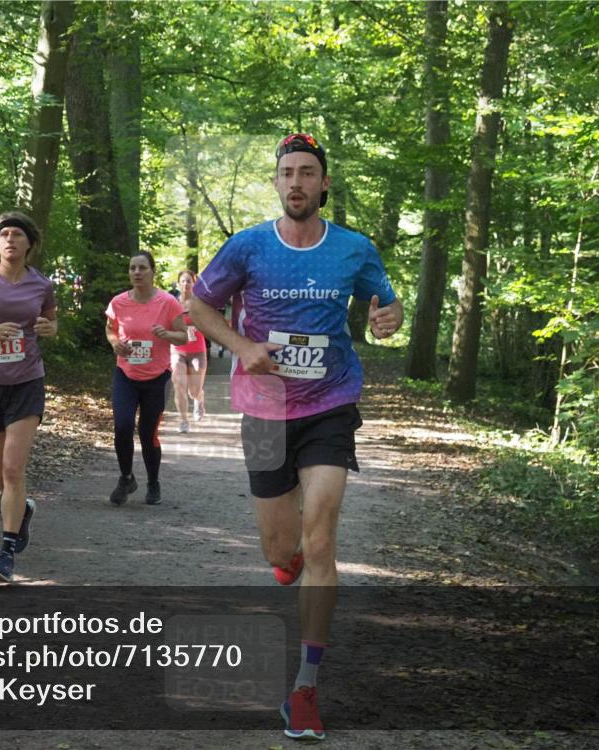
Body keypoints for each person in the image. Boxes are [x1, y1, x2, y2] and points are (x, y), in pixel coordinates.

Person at [189, 133, 402, 742]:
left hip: (331, 404)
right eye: (287, 173)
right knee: (281, 552)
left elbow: (386, 309)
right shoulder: (248, 246)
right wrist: (242, 347)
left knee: (322, 537)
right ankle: (292, 563)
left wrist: (387, 319)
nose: (297, 182)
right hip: (264, 410)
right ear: (277, 183)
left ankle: (305, 689)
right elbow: (197, 308)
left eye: (308, 172)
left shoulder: (354, 249)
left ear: (324, 183)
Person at [0, 211, 56, 583]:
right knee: (0, 474)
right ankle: (22, 512)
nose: (9, 239)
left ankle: (5, 553)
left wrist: (50, 327)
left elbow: (51, 319)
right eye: (3, 234)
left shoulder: (42, 284)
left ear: (29, 243)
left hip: (26, 381)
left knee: (12, 469)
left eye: (17, 234)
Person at [104, 251, 186, 506]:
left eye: (142, 268)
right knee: (122, 426)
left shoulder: (168, 302)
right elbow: (110, 329)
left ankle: (153, 481)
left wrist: (168, 334)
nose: (137, 272)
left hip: (157, 378)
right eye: (133, 268)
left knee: (148, 433)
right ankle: (126, 477)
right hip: (126, 375)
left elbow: (183, 336)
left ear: (152, 271)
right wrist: (115, 343)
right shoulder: (118, 302)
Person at [171, 269, 208, 433]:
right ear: (178, 284)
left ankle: (199, 398)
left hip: (197, 351)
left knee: (193, 391)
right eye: (183, 281)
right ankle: (183, 420)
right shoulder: (172, 303)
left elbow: (210, 324)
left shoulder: (200, 304)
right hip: (177, 350)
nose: (186, 284)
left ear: (194, 283)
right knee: (179, 383)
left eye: (189, 281)